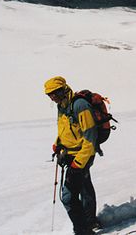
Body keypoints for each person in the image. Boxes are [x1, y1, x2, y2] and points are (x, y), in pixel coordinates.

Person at [45, 76, 100, 234]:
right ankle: (90, 221)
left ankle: (83, 230)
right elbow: (66, 128)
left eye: (54, 93)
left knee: (68, 197)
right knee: (84, 186)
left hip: (82, 155)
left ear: (63, 89)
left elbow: (91, 137)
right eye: (49, 94)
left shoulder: (79, 105)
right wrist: (59, 142)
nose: (52, 97)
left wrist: (79, 163)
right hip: (70, 153)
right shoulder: (62, 105)